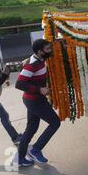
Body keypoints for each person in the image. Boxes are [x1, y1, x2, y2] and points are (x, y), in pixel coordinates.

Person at [15, 39, 61, 167]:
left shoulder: (39, 59)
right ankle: (36, 149)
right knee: (55, 122)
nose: (50, 51)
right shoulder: (33, 64)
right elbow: (19, 84)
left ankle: (20, 158)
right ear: (40, 52)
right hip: (35, 101)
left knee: (31, 129)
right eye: (47, 49)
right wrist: (40, 89)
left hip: (32, 100)